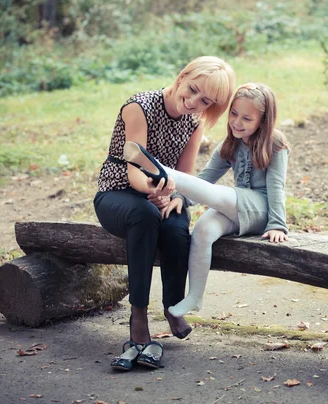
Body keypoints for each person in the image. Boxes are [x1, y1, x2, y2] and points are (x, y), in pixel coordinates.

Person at [93, 56, 236, 371]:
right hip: (117, 193)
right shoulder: (140, 107)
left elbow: (184, 176)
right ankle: (139, 314)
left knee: (175, 226)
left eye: (205, 100)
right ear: (183, 75)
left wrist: (177, 197)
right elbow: (133, 173)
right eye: (194, 89)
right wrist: (157, 191)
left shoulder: (193, 121)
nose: (194, 101)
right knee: (144, 216)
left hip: (160, 193)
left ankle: (173, 306)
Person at [123, 82, 290, 319]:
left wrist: (277, 224)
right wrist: (181, 198)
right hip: (239, 209)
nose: (236, 122)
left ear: (263, 121)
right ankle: (195, 296)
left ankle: (158, 169)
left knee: (217, 194)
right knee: (202, 230)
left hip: (262, 210)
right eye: (233, 114)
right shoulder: (229, 144)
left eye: (246, 119)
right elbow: (206, 177)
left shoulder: (275, 143)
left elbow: (276, 187)